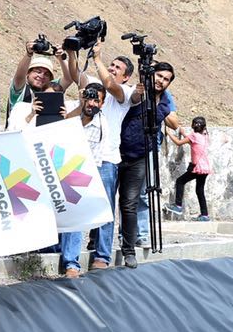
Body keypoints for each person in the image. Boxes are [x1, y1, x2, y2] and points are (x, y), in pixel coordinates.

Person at [64, 43, 132, 271]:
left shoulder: (124, 94)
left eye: (117, 67)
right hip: (80, 159)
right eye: (111, 65)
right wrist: (72, 51)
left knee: (104, 209)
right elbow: (76, 75)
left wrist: (98, 59)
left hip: (107, 160)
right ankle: (71, 262)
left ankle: (102, 257)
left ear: (126, 76)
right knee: (75, 209)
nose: (112, 69)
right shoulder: (94, 89)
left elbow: (111, 85)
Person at [116, 61, 177, 268]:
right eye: (159, 76)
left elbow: (174, 122)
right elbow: (133, 98)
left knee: (130, 202)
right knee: (106, 200)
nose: (161, 81)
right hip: (116, 153)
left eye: (166, 79)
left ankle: (129, 250)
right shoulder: (137, 92)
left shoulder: (165, 104)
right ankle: (97, 243)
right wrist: (141, 86)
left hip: (140, 157)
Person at [58, 83, 106, 278]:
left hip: (80, 174)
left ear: (102, 104)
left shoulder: (101, 124)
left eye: (97, 100)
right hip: (57, 167)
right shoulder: (72, 110)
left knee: (76, 216)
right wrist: (79, 104)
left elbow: (93, 160)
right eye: (89, 98)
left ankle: (71, 264)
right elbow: (58, 127)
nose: (92, 103)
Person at [167, 116, 211, 221]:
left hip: (197, 167)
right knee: (200, 191)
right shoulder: (204, 136)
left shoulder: (193, 136)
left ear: (193, 126)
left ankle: (178, 206)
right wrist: (183, 133)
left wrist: (168, 132)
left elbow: (178, 142)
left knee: (180, 181)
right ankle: (205, 215)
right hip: (205, 168)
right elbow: (192, 142)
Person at [8, 43, 60, 117]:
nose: (41, 76)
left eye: (46, 74)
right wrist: (29, 54)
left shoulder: (50, 90)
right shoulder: (20, 91)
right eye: (38, 72)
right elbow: (20, 76)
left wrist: (62, 58)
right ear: (28, 73)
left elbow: (68, 79)